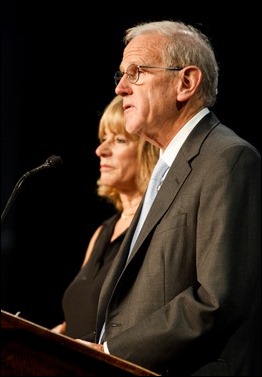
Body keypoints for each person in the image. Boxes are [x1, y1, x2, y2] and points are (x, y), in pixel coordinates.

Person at [78, 20, 261, 376]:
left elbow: (217, 299)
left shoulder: (228, 159)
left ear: (186, 82)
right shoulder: (165, 170)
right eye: (120, 75)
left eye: (136, 72)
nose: (120, 89)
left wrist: (111, 352)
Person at [51, 95, 159, 339]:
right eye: (102, 139)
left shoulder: (153, 229)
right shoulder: (102, 232)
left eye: (119, 140)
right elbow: (81, 318)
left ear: (150, 151)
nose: (100, 150)